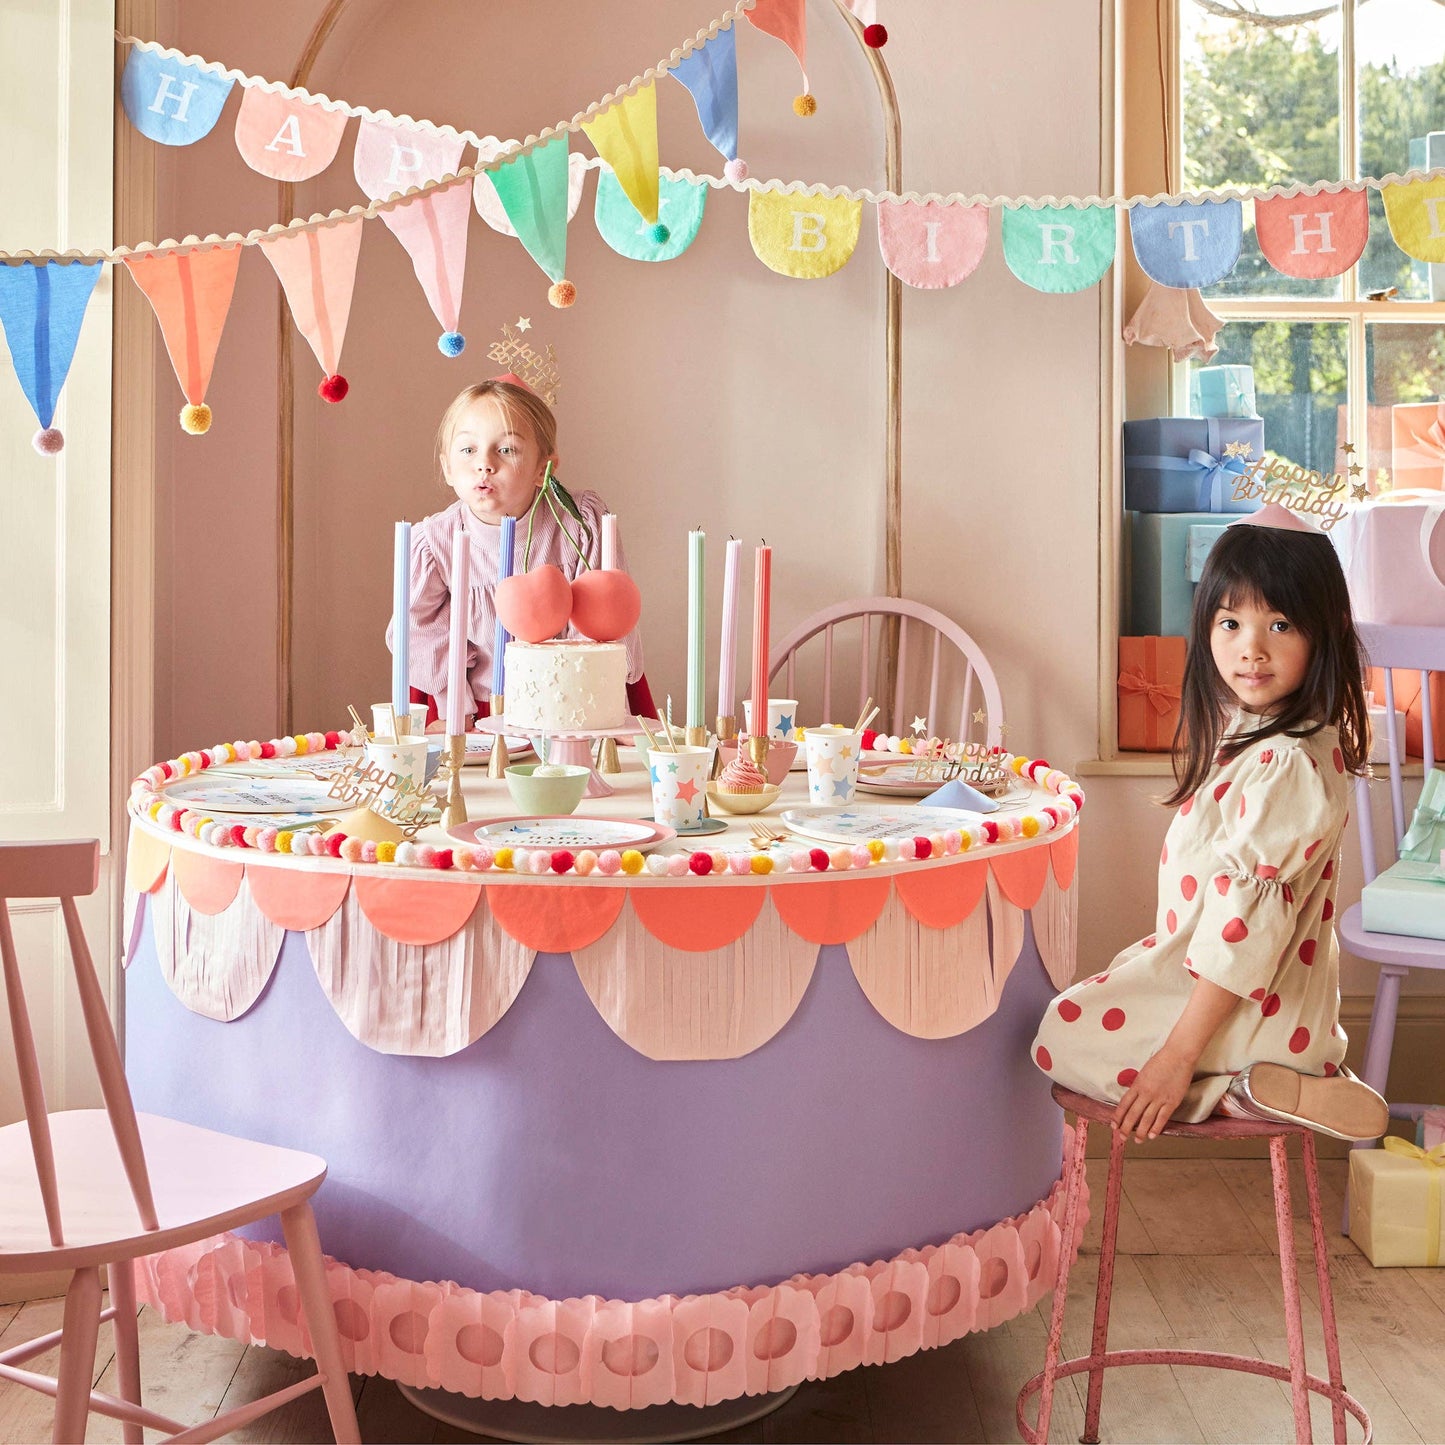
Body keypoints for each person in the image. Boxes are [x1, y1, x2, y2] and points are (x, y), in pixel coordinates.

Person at [1033, 504, 1388, 1143]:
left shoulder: (1283, 764)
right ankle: (1262, 1081)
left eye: (1280, 624)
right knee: (1090, 1006)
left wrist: (1177, 1056)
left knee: (1062, 1034)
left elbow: (1245, 930)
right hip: (1255, 993)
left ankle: (1247, 1089)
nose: (1250, 649)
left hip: (1248, 1005)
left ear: (1324, 634)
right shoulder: (1274, 737)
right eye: (1231, 622)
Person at [389, 376, 654, 726]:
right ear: (447, 467)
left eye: (507, 449)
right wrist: (456, 708)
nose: (484, 463)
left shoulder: (581, 522)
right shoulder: (436, 541)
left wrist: (581, 707)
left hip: (577, 703)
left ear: (543, 470)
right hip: (481, 709)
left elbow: (602, 618)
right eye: (468, 450)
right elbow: (419, 631)